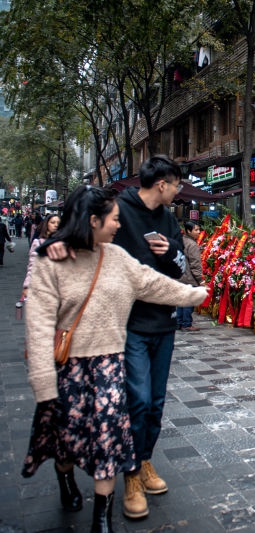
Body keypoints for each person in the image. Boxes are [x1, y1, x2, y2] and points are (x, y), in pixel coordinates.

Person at [23, 186, 207, 533]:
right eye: (113, 220)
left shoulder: (117, 257)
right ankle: (66, 481)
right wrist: (44, 385)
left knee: (108, 438)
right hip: (67, 369)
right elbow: (37, 327)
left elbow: (151, 282)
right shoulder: (54, 260)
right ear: (93, 221)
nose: (119, 226)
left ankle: (102, 517)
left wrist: (194, 295)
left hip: (108, 365)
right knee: (65, 440)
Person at [46, 155, 188, 519]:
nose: (179, 191)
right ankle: (129, 475)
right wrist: (60, 245)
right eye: (177, 185)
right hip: (126, 324)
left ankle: (143, 461)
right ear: (162, 184)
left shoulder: (169, 218)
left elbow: (181, 264)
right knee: (136, 401)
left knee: (155, 403)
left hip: (163, 322)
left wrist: (171, 251)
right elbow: (83, 230)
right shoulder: (119, 208)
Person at [21, 214, 61, 300]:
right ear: (47, 224)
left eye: (58, 223)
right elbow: (32, 266)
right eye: (53, 222)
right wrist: (27, 286)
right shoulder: (38, 243)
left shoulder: (64, 244)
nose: (56, 225)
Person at [178, 221, 204, 332]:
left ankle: (179, 322)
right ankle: (187, 323)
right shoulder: (192, 245)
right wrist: (200, 279)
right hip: (189, 278)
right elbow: (195, 264)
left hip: (180, 276)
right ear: (189, 231)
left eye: (199, 229)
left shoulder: (181, 241)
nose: (198, 232)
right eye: (196, 230)